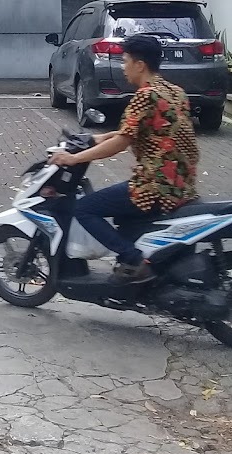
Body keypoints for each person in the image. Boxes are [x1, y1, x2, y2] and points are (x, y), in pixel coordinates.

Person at [49, 33, 199, 283]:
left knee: (84, 208)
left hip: (155, 186)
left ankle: (134, 260)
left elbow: (121, 143)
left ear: (140, 64)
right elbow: (141, 130)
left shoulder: (145, 96)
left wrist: (74, 159)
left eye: (125, 60)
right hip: (183, 184)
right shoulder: (174, 92)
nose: (122, 66)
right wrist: (100, 137)